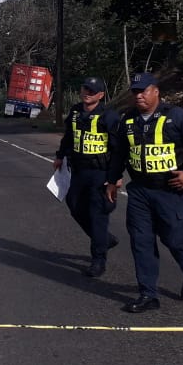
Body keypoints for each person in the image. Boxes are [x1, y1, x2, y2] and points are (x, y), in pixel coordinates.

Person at [113, 72, 183, 313]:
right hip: (139, 192)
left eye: (144, 91)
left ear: (156, 91)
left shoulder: (177, 117)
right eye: (136, 92)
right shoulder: (128, 120)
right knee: (140, 242)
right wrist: (113, 179)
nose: (139, 96)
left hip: (170, 191)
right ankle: (148, 294)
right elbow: (120, 153)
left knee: (175, 240)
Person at [53, 77, 125, 278]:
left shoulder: (109, 116)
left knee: (98, 215)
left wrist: (115, 177)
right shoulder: (76, 112)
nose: (87, 93)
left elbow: (118, 149)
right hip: (78, 171)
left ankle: (98, 260)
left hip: (100, 174)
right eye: (85, 89)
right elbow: (69, 136)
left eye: (92, 91)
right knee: (74, 206)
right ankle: (103, 239)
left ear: (101, 95)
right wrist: (60, 156)